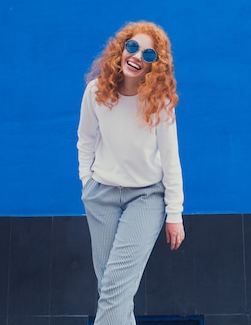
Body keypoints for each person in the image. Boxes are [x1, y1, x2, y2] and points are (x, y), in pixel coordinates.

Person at [77, 21, 185, 325]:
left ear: (156, 65)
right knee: (112, 289)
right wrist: (87, 182)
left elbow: (170, 158)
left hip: (146, 197)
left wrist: (174, 213)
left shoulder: (159, 102)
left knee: (114, 288)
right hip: (102, 195)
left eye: (149, 55)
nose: (137, 56)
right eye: (133, 47)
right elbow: (85, 139)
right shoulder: (95, 92)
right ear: (121, 49)